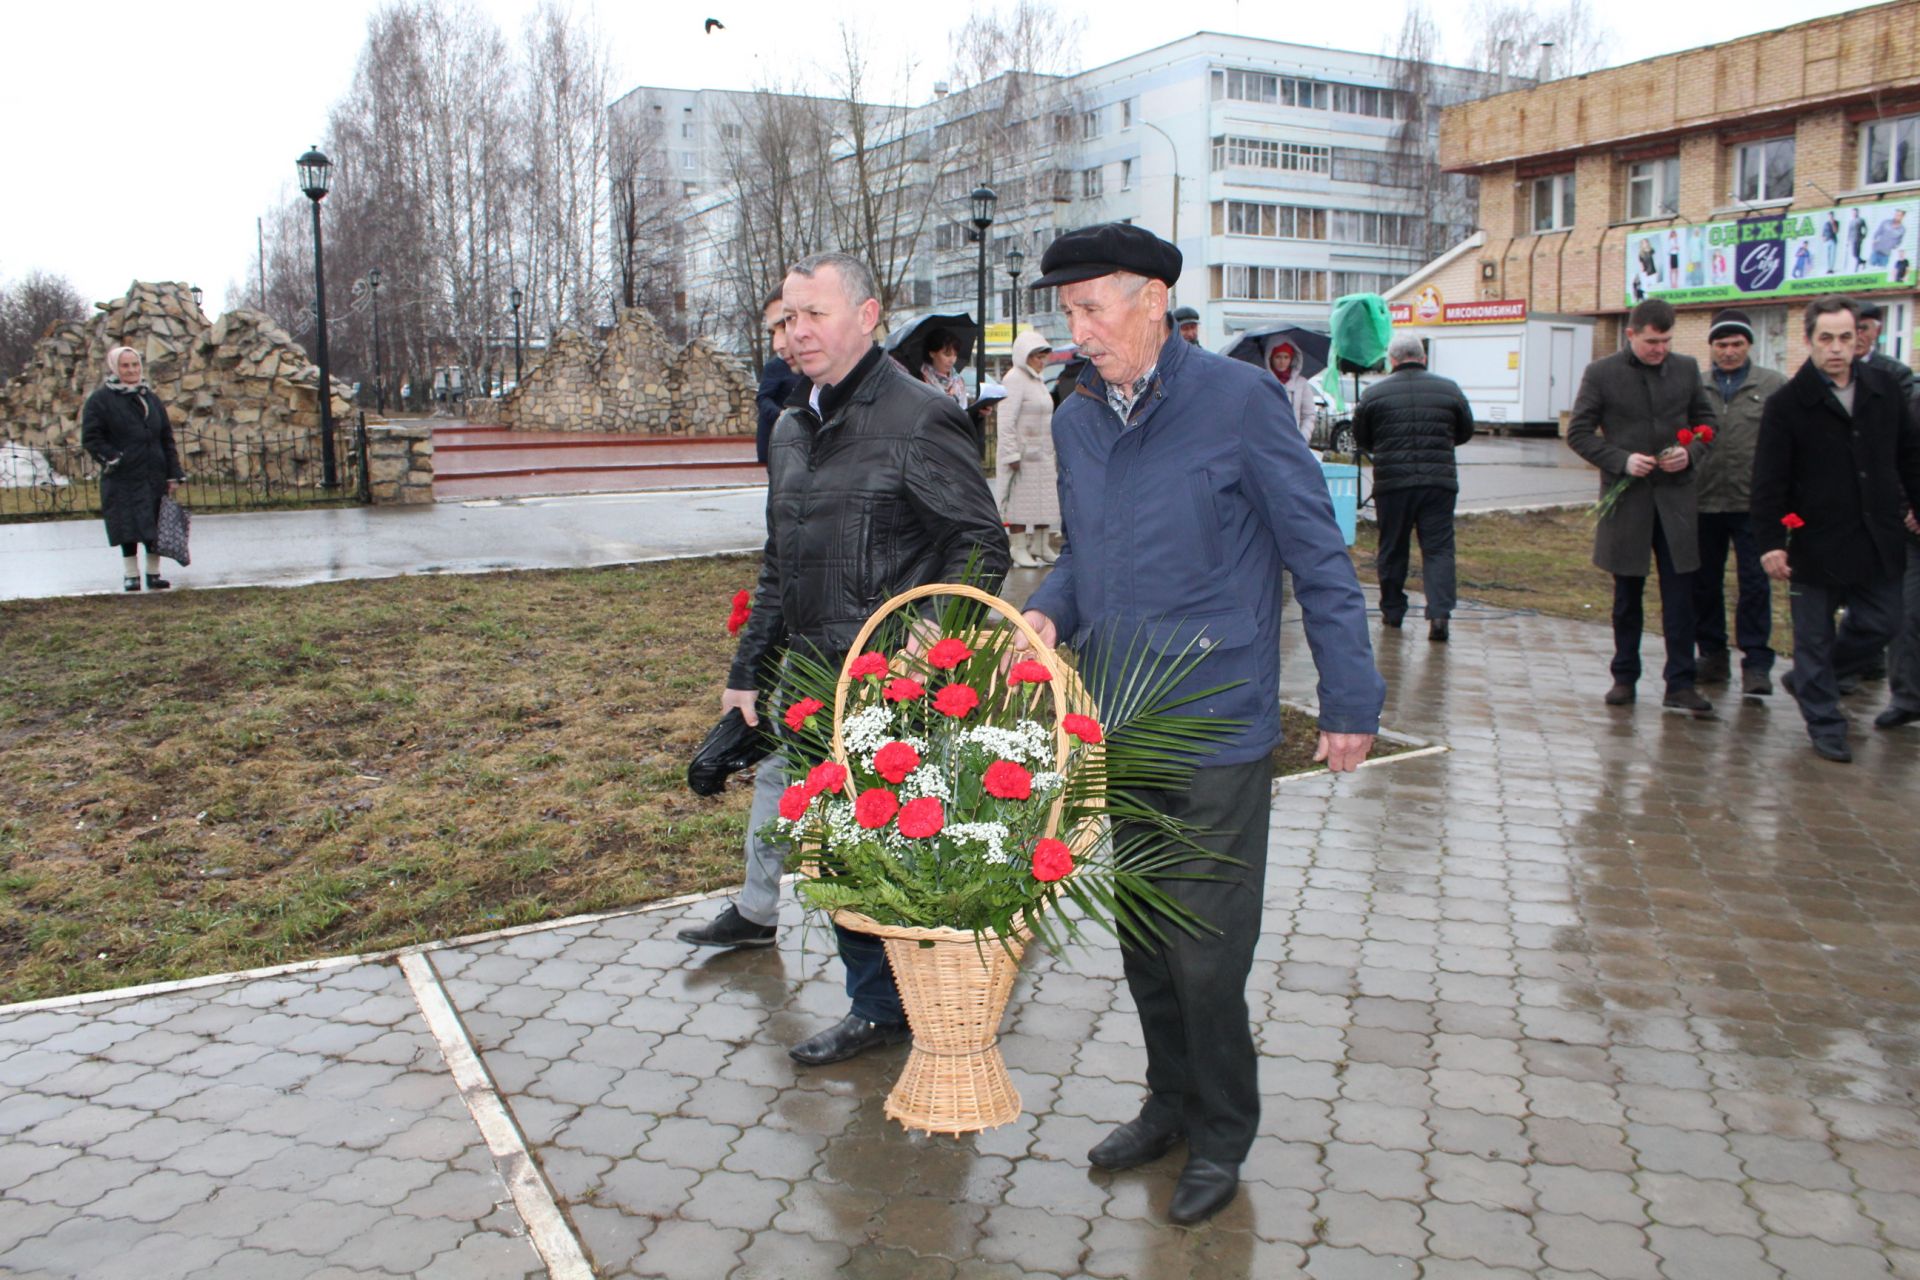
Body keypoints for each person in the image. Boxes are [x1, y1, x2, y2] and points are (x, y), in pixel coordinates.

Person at [1016, 223, 1383, 1227]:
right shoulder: (1079, 417)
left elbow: (1315, 549)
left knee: (1206, 951)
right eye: (1069, 311)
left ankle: (1223, 1131)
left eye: (1091, 308)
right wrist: (1051, 605)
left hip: (1218, 722)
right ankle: (1168, 1103)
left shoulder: (1238, 403)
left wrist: (1351, 697)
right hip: (1120, 720)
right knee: (1143, 938)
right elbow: (1089, 552)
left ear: (1150, 301)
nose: (1076, 330)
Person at [679, 252, 1010, 1062]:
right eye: (785, 320)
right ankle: (878, 1006)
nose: (795, 334)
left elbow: (979, 545)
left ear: (867, 317)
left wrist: (924, 653)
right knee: (836, 849)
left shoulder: (920, 416)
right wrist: (746, 672)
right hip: (810, 683)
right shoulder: (794, 426)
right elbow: (778, 561)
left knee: (889, 855)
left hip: (896, 686)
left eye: (812, 315)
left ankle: (906, 1007)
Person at [1752, 295, 1920, 762]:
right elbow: (1768, 480)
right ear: (1809, 341)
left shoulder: (1885, 389)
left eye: (1846, 337)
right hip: (1814, 541)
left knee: (1883, 622)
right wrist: (1770, 542)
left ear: (1860, 338)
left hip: (1877, 535)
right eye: (1826, 338)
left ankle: (1809, 678)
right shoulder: (1788, 403)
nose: (1837, 348)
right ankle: (1826, 724)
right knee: (1814, 637)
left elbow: (1909, 458)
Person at [1566, 298, 1718, 713]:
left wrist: (1691, 453)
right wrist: (1621, 460)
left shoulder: (1686, 369)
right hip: (1629, 500)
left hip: (1676, 500)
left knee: (1681, 596)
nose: (1660, 349)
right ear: (1631, 334)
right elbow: (1579, 432)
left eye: (1666, 341)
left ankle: (1681, 683)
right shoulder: (1602, 373)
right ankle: (1624, 677)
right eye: (1652, 341)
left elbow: (1708, 424)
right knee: (1627, 596)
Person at [1352, 331, 1474, 642]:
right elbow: (1464, 431)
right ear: (1422, 358)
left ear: (1392, 360)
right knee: (1439, 548)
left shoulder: (1374, 394)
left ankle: (1393, 611)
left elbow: (1362, 438)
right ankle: (1439, 613)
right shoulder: (1450, 389)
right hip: (1439, 482)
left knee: (1393, 547)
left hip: (1392, 483)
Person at [1693, 309, 1788, 696]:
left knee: (1754, 585)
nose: (1729, 352)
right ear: (1711, 347)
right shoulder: (1696, 387)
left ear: (1749, 345)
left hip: (1754, 504)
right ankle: (1712, 655)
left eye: (1736, 344)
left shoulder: (1773, 386)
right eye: (1721, 345)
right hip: (1704, 501)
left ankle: (1757, 663)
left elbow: (1787, 444)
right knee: (1704, 583)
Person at [80, 346, 185, 592]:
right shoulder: (101, 400)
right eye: (126, 366)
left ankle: (153, 573)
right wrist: (113, 457)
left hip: (153, 472)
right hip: (122, 475)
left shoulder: (150, 397)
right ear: (115, 368)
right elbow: (91, 437)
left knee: (155, 523)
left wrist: (173, 472)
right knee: (127, 524)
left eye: (135, 365)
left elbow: (165, 437)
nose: (131, 370)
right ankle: (130, 575)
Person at [997, 329, 1060, 568]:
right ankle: (1018, 547)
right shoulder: (1014, 379)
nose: (1041, 362)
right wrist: (1011, 453)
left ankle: (1041, 545)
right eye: (1037, 357)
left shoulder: (1038, 380)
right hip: (1022, 456)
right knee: (1020, 503)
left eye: (1044, 357)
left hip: (1042, 454)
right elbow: (1005, 420)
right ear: (1024, 356)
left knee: (1044, 501)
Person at [1879, 382, 1920, 731]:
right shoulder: (1915, 405)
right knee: (1905, 614)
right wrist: (1910, 507)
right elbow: (1899, 460)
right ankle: (1906, 697)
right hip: (1914, 534)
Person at [754, 289, 802, 466]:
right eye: (772, 332)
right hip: (778, 442)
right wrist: (782, 416)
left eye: (787, 324)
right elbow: (762, 397)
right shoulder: (775, 366)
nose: (777, 345)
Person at [1853, 299, 1914, 398]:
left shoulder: (1895, 372)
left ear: (1877, 331)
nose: (1857, 336)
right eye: (1851, 329)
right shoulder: (1832, 368)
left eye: (1863, 329)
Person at [1267, 341, 1317, 448]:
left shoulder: (1301, 384)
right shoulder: (1264, 382)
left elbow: (1308, 415)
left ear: (1292, 359)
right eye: (1278, 357)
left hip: (1294, 445)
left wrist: (1302, 439)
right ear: (1271, 358)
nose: (1282, 361)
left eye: (1286, 357)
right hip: (1270, 445)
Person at [918, 328, 969, 407]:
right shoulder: (920, 381)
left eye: (955, 355)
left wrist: (978, 414)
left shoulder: (958, 381)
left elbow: (965, 413)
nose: (952, 360)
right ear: (932, 353)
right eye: (947, 355)